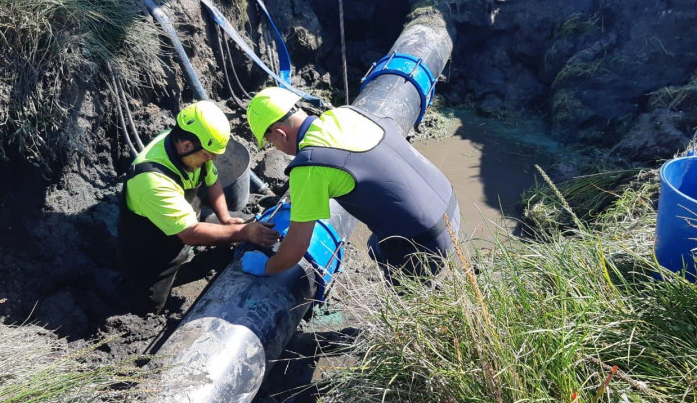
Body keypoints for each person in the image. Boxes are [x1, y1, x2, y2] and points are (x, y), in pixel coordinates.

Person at [241, 87, 460, 280]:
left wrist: (268, 266)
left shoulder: (309, 167)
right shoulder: (346, 113)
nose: (276, 149)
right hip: (450, 206)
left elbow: (295, 249)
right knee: (377, 245)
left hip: (425, 243)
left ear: (280, 134)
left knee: (393, 269)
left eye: (271, 143)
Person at [118, 101, 279, 313]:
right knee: (149, 308)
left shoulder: (193, 148)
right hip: (152, 249)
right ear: (186, 146)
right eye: (209, 155)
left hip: (185, 221)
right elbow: (190, 234)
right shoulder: (152, 180)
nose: (212, 160)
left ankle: (195, 259)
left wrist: (225, 219)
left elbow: (212, 181)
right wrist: (243, 232)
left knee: (238, 224)